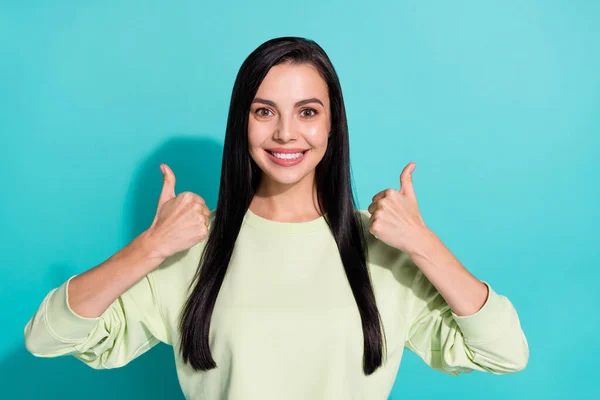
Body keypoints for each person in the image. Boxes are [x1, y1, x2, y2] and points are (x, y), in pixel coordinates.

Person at [23, 36, 529, 400]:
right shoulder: (188, 249)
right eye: (264, 111)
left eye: (308, 112)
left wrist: (424, 245)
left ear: (333, 125)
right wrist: (150, 247)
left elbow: (506, 353)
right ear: (241, 122)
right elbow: (46, 338)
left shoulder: (382, 250)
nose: (286, 133)